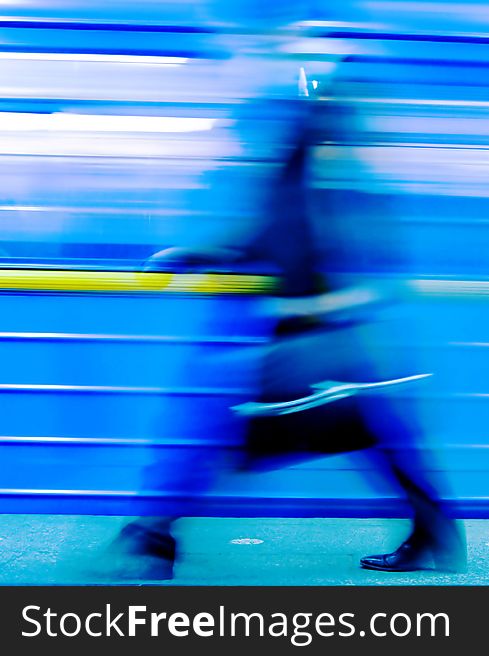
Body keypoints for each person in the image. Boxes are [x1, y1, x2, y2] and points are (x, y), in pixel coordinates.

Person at [107, 49, 465, 579]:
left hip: (341, 348)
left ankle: (154, 534)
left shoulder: (352, 183)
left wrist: (310, 304)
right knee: (377, 436)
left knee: (217, 410)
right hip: (332, 350)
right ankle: (434, 532)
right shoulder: (306, 176)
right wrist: (194, 255)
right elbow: (264, 235)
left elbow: (382, 282)